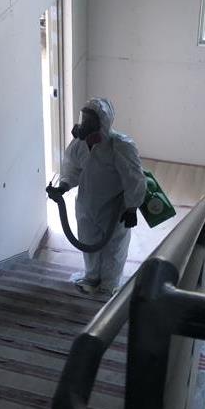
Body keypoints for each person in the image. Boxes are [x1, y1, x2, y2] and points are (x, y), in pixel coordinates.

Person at [47, 98, 146, 295]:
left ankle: (109, 284)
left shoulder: (120, 146)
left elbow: (134, 178)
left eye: (90, 122)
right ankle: (92, 277)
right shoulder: (79, 145)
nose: (84, 126)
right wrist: (64, 186)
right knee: (88, 241)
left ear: (103, 123)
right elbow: (72, 168)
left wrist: (132, 207)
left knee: (113, 248)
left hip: (114, 209)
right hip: (86, 204)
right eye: (84, 120)